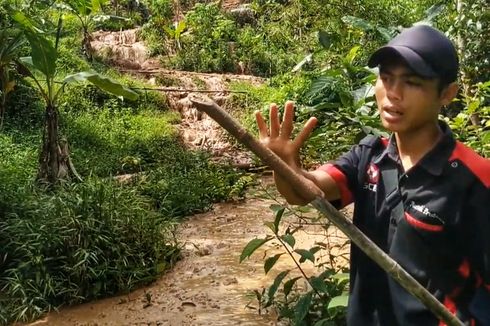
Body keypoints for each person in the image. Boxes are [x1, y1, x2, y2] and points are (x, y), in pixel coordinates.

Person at [255, 24, 490, 325]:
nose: (393, 93)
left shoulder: (475, 178)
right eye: (386, 78)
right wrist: (283, 166)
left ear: (447, 93)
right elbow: (305, 192)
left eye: (412, 82)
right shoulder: (369, 156)